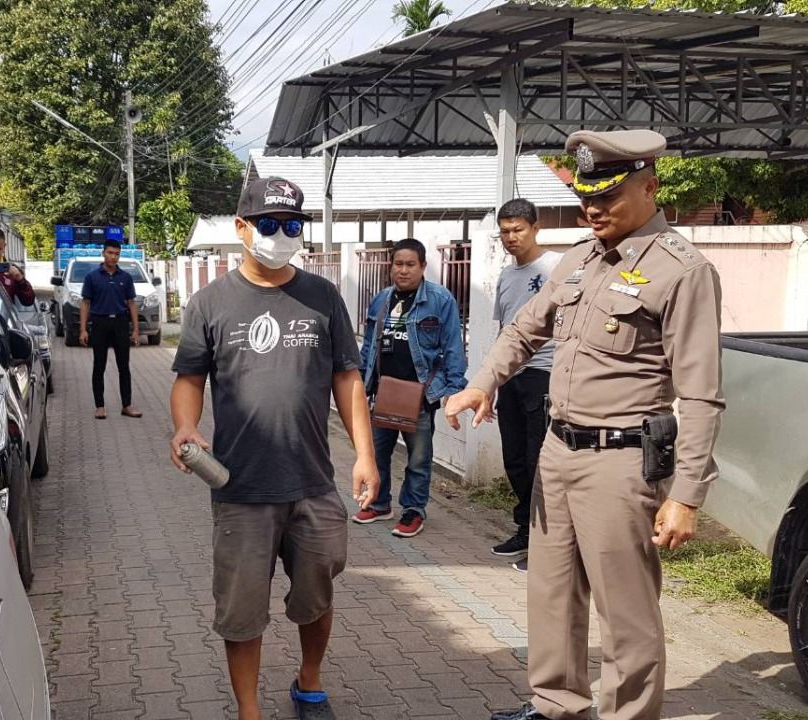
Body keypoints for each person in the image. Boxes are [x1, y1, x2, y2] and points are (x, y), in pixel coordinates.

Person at [445, 129, 725, 720]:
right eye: (586, 198)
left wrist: (686, 495)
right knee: (551, 595)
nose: (594, 209)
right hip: (558, 452)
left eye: (609, 196)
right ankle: (556, 707)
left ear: (650, 188)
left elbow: (701, 395)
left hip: (621, 463)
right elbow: (525, 329)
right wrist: (482, 383)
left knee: (626, 613)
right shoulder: (579, 258)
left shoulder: (682, 271)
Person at [169, 176, 380, 720]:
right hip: (240, 488)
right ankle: (249, 709)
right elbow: (189, 377)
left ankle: (309, 682)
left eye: (291, 226)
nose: (281, 236)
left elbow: (347, 377)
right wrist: (186, 426)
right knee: (241, 611)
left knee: (317, 593)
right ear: (242, 228)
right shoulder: (210, 302)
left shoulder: (322, 296)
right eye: (269, 224)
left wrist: (365, 455)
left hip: (313, 482)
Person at [354, 238, 467, 538]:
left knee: (418, 459)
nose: (403, 270)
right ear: (391, 266)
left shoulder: (440, 300)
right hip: (383, 392)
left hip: (419, 395)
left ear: (423, 266)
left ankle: (413, 510)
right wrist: (362, 383)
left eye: (410, 264)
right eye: (398, 264)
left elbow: (453, 348)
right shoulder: (381, 299)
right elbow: (369, 346)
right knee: (377, 453)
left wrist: (453, 390)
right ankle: (379, 504)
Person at [488, 199, 562, 570]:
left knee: (539, 464)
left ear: (535, 228)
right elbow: (505, 332)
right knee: (515, 461)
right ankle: (525, 530)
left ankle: (547, 545)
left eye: (518, 229)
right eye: (505, 231)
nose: (511, 237)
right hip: (511, 378)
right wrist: (491, 382)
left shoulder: (556, 267)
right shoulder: (506, 276)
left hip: (543, 375)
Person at [80, 239, 142, 419]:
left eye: (116, 254)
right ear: (103, 253)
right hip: (99, 323)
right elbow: (85, 303)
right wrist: (83, 329)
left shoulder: (125, 278)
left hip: (120, 323)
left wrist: (135, 329)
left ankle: (127, 405)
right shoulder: (92, 277)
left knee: (124, 366)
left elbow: (131, 303)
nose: (113, 257)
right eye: (110, 253)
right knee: (99, 366)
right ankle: (100, 406)